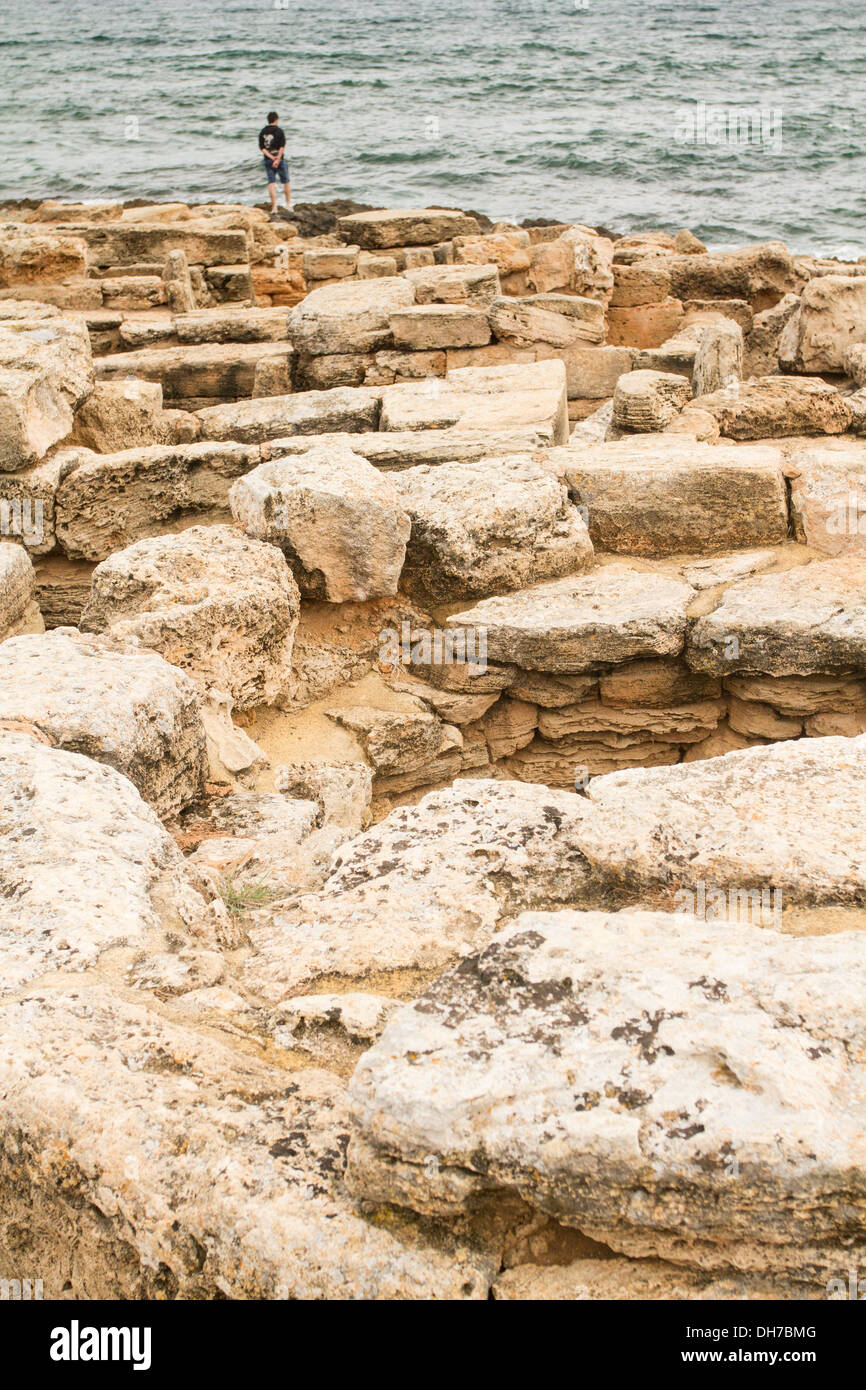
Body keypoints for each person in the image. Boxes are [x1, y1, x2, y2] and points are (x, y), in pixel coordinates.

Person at [258, 110, 291, 216]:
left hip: (268, 160)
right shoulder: (279, 131)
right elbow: (282, 147)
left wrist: (272, 158)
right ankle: (288, 204)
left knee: (271, 183)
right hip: (279, 159)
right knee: (286, 181)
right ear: (276, 119)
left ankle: (274, 206)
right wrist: (277, 159)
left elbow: (262, 148)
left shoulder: (263, 132)